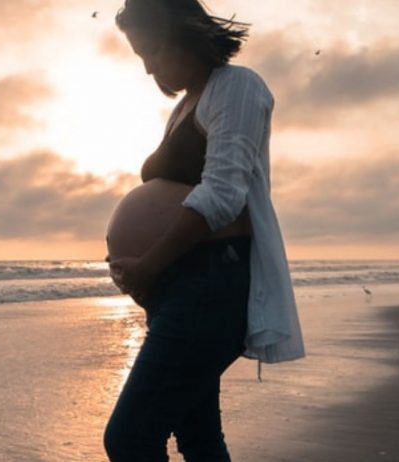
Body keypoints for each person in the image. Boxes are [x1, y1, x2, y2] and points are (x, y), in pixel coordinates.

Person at [104, 1, 305, 460]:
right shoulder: (189, 103)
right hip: (182, 288)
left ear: (183, 32)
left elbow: (222, 194)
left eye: (151, 50)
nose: (148, 67)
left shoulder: (236, 86)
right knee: (196, 436)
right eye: (140, 57)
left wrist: (147, 266)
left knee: (130, 437)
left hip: (210, 286)